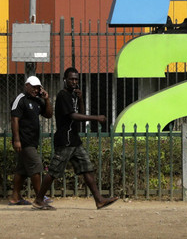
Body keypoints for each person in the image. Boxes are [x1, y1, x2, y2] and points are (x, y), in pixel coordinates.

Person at [33, 67, 118, 210]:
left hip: (74, 140)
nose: (74, 81)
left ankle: (99, 200)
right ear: (64, 80)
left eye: (76, 79)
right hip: (65, 140)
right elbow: (73, 116)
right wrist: (96, 117)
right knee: (54, 171)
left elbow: (81, 114)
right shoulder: (63, 95)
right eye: (71, 79)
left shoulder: (73, 95)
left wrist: (80, 99)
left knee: (87, 168)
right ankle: (38, 200)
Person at [9, 76, 53, 206]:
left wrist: (47, 99)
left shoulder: (37, 101)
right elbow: (14, 119)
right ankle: (40, 197)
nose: (35, 89)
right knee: (36, 166)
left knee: (22, 171)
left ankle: (15, 197)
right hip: (24, 140)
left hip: (32, 141)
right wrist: (16, 140)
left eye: (38, 87)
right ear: (26, 85)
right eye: (33, 87)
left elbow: (49, 114)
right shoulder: (20, 100)